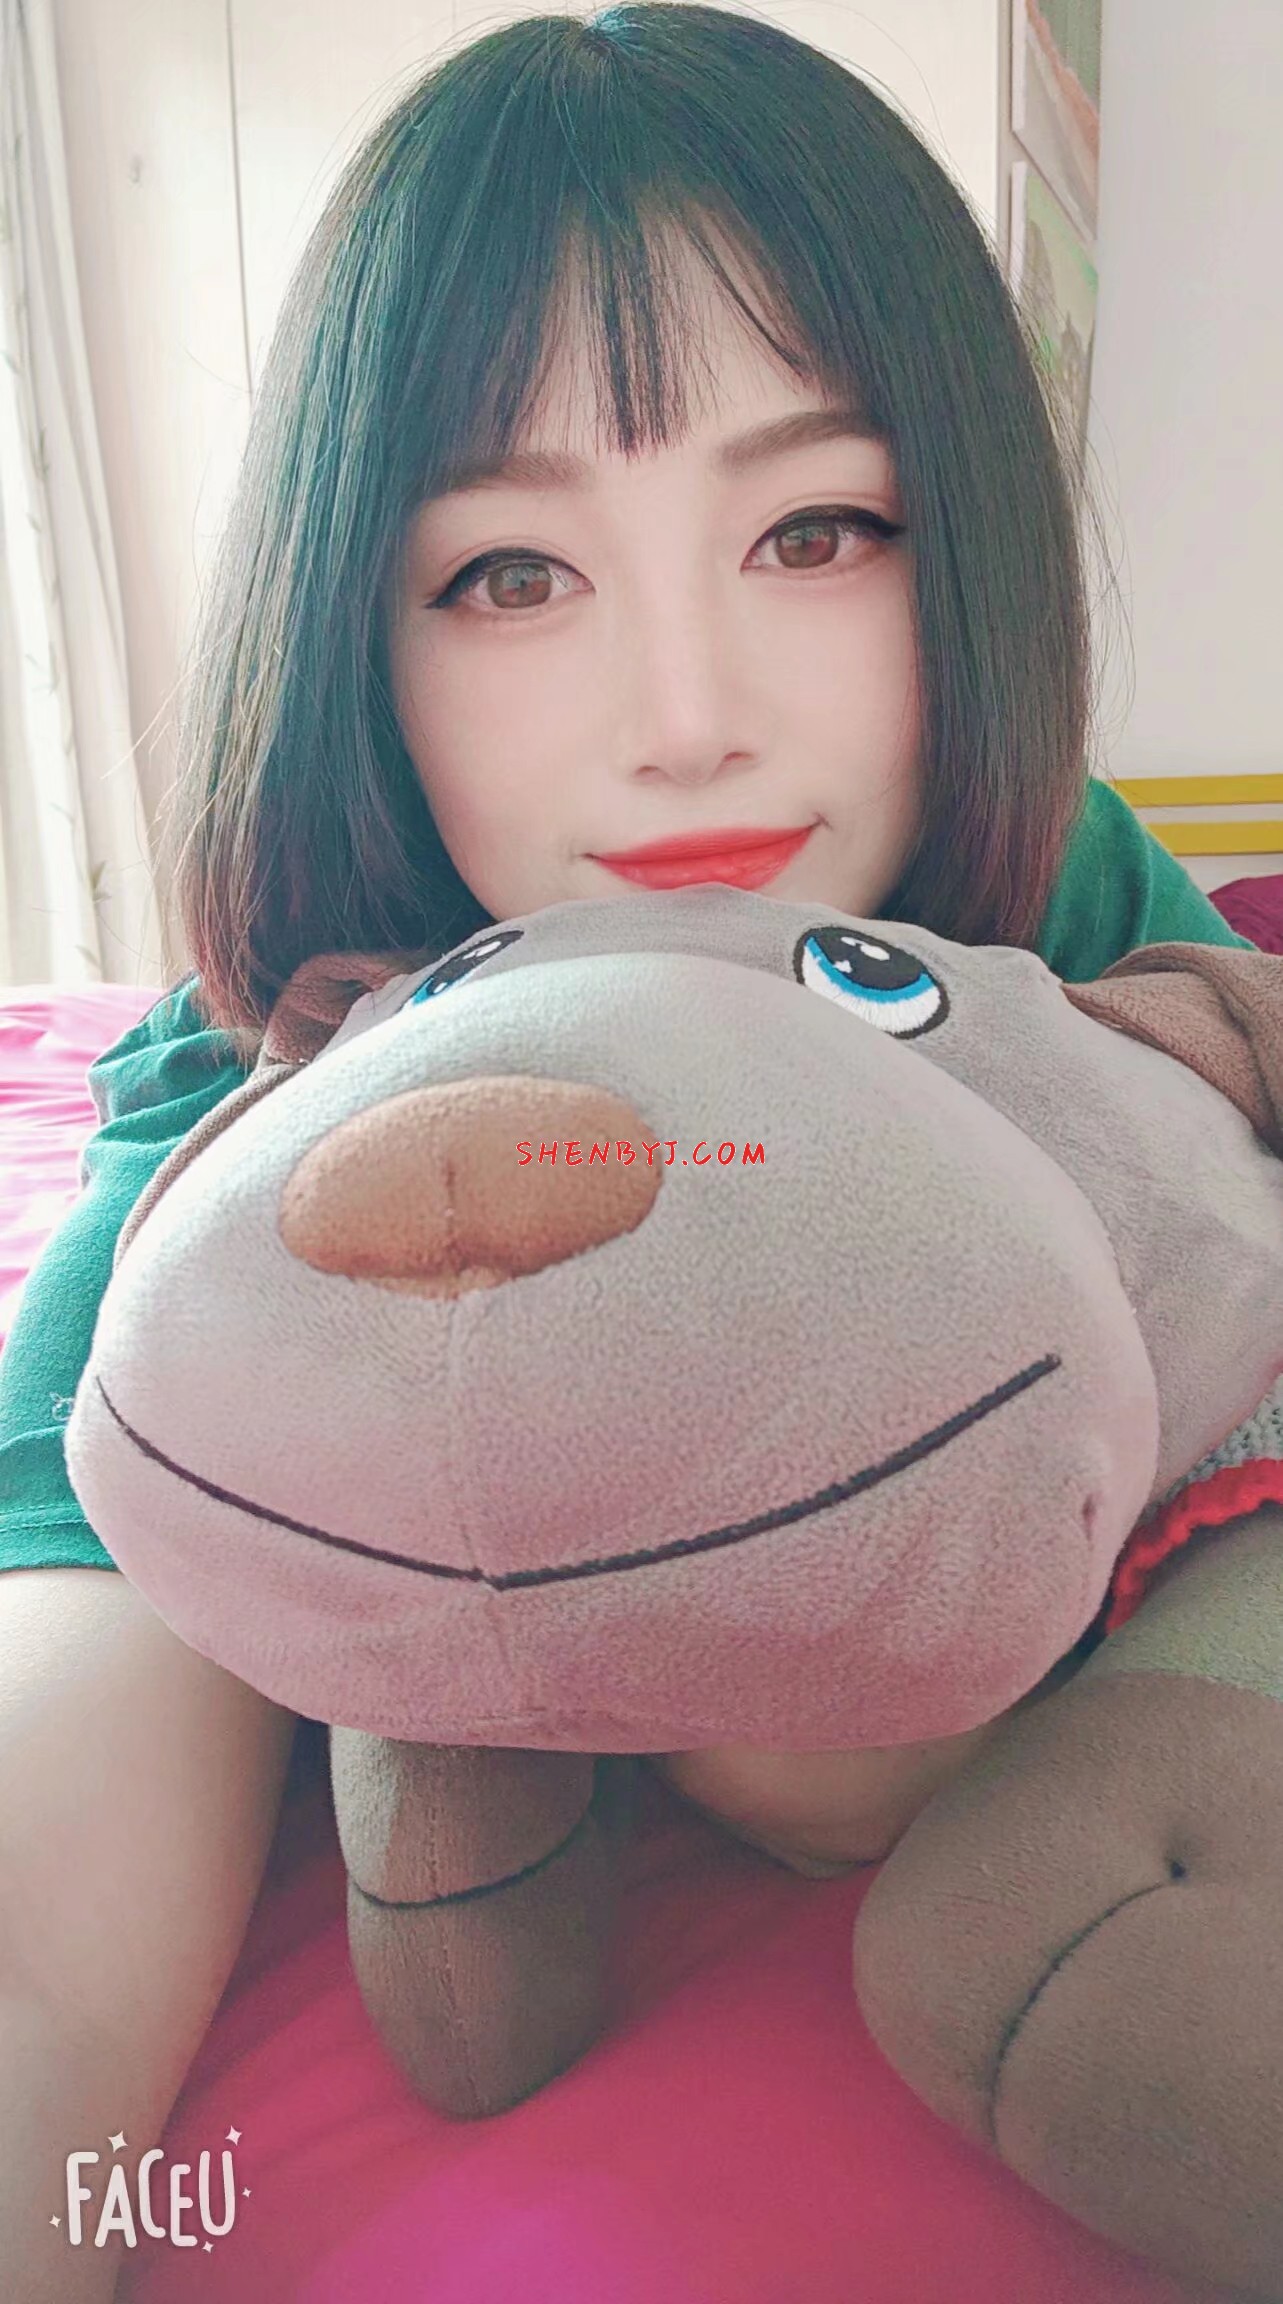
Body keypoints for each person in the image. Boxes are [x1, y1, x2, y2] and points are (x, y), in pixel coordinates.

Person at [0, 7, 1254, 2295]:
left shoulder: (1053, 913)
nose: (690, 721)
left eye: (817, 530)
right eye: (511, 573)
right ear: (355, 632)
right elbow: (44, 1917)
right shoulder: (261, 1106)